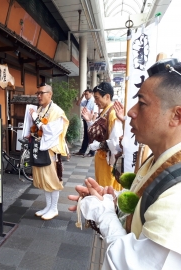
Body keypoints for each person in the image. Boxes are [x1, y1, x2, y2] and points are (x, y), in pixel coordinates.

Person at [69, 60, 181, 269]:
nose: (129, 112)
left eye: (142, 103)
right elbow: (145, 204)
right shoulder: (156, 160)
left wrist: (104, 213)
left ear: (176, 116)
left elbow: (130, 264)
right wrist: (113, 201)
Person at [27, 83, 69, 220]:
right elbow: (37, 128)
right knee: (44, 179)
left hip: (51, 150)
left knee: (52, 179)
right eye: (37, 93)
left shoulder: (56, 111)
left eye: (41, 93)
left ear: (49, 95)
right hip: (39, 148)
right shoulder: (40, 109)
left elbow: (50, 130)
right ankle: (48, 206)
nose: (38, 96)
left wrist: (35, 118)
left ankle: (54, 208)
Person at [81, 82, 122, 191]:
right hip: (102, 160)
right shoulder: (106, 111)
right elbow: (100, 133)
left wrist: (99, 145)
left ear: (107, 96)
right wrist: (90, 121)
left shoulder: (113, 113)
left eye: (97, 98)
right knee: (102, 187)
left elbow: (116, 143)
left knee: (107, 190)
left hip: (108, 162)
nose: (95, 101)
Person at [73, 88, 95, 157]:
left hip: (91, 121)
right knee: (86, 136)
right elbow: (77, 103)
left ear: (91, 94)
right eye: (85, 94)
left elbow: (95, 113)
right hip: (85, 120)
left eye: (87, 94)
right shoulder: (86, 101)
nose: (86, 96)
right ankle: (82, 151)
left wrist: (92, 122)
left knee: (91, 136)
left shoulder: (93, 101)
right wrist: (82, 96)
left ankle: (92, 152)